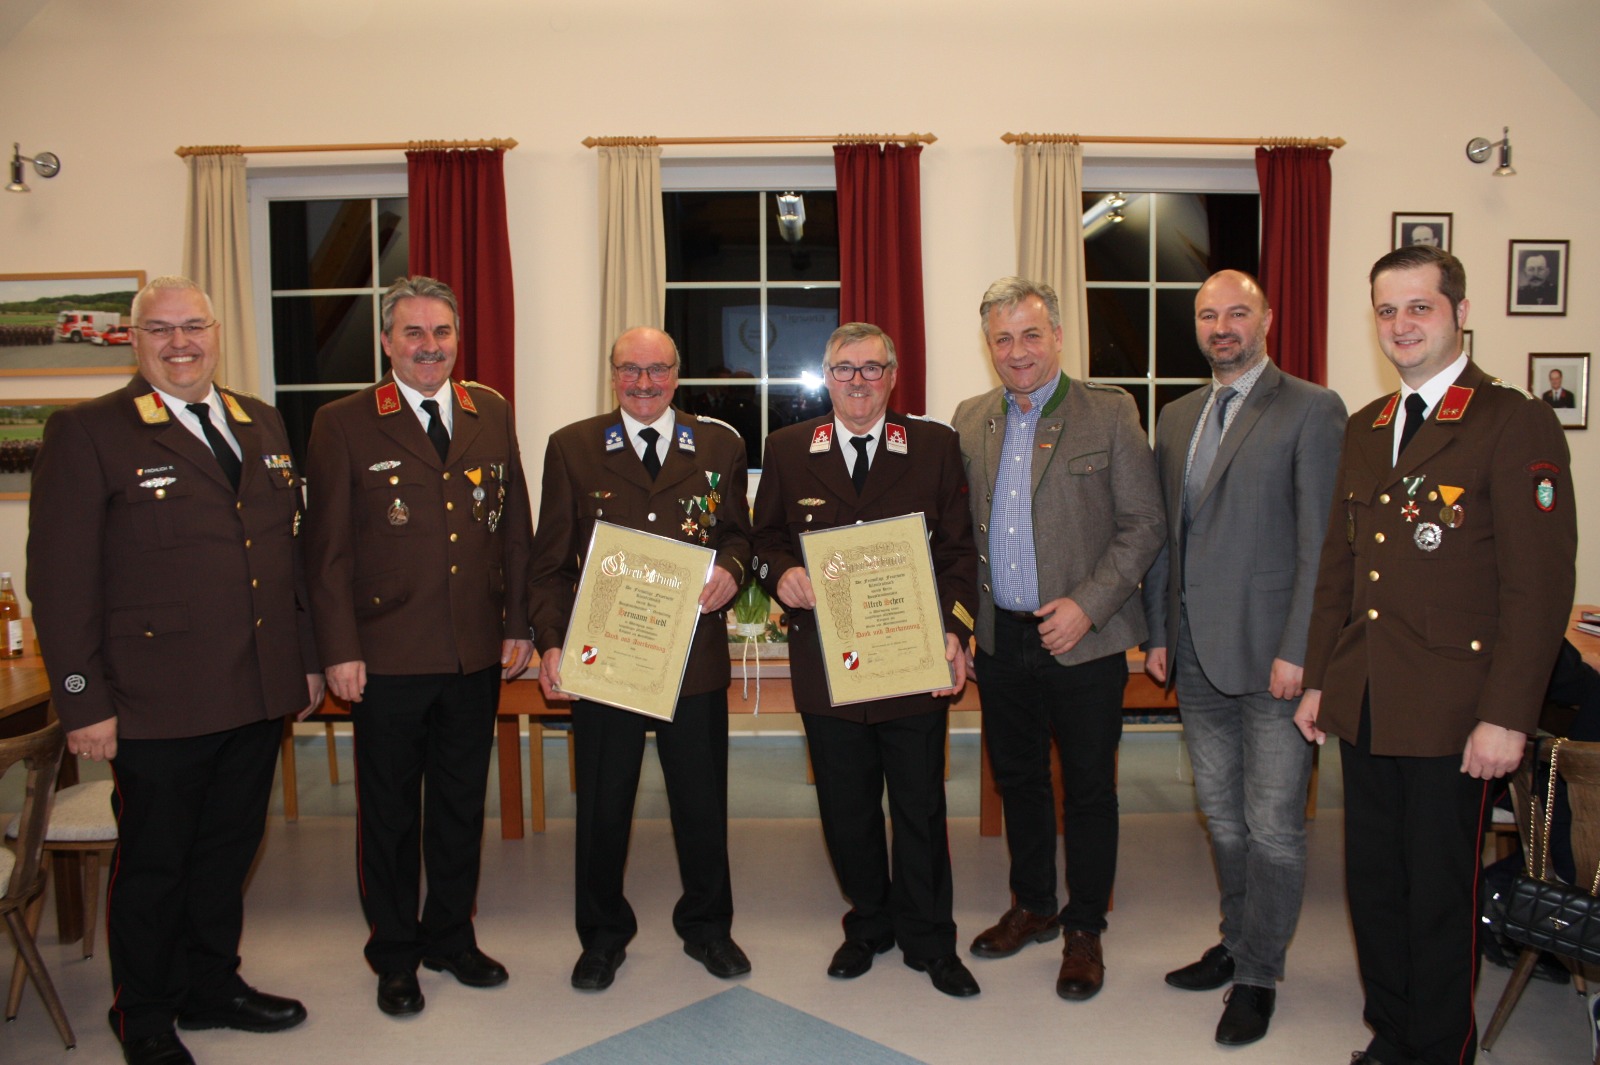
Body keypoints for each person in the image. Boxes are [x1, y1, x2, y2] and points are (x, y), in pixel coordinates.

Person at [27, 276, 320, 1065]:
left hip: (255, 687)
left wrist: (303, 659)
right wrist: (82, 699)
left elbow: (285, 553)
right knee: (156, 864)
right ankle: (145, 1011)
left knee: (227, 853)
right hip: (155, 698)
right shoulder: (90, 432)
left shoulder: (260, 421)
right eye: (160, 329)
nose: (180, 342)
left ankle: (211, 984)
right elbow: (59, 579)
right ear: (134, 340)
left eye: (194, 325)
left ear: (216, 332)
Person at [1295, 245, 1577, 1065]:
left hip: (1457, 710)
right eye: (1387, 310)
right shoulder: (1367, 425)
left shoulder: (1510, 419)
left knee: (1439, 894)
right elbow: (1340, 568)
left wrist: (1507, 716)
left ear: (1458, 312)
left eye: (1419, 306)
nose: (1401, 324)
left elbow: (1538, 587)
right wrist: (1320, 680)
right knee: (1376, 886)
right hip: (1368, 697)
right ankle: (1392, 1035)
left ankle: (1441, 1050)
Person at [303, 276, 533, 1018]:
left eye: (441, 332)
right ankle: (395, 954)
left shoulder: (489, 408)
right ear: (386, 341)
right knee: (391, 814)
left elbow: (514, 526)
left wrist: (519, 623)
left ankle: (451, 937)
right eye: (413, 332)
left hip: (473, 651)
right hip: (386, 653)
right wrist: (337, 647)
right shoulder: (343, 422)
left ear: (457, 339)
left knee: (461, 807)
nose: (429, 346)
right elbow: (325, 550)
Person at [1140, 270, 1346, 1045]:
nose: (1221, 326)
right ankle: (1236, 938)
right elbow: (1167, 536)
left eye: (1236, 312)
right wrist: (1159, 631)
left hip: (1274, 661)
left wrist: (1303, 652)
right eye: (1207, 315)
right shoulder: (1178, 415)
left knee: (1273, 824)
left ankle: (1259, 973)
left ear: (1267, 318)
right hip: (1195, 653)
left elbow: (1322, 544)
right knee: (1222, 815)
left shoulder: (1313, 408)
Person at [951, 278, 1165, 1002]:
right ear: (989, 345)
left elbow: (1144, 524)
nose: (1018, 351)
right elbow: (959, 534)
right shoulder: (971, 417)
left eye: (1031, 334)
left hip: (1084, 639)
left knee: (1089, 789)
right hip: (1001, 640)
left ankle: (1084, 927)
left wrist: (1088, 604)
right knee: (1017, 780)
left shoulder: (1109, 412)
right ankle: (1035, 903)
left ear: (1059, 337)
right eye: (1003, 338)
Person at [752, 322, 980, 997]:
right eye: (845, 369)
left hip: (911, 658)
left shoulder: (933, 446)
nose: (859, 381)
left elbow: (958, 552)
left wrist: (955, 631)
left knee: (919, 804)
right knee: (846, 808)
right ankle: (869, 924)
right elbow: (763, 538)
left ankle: (931, 937)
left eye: (872, 368)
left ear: (893, 376)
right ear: (827, 378)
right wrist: (782, 574)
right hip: (828, 662)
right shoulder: (789, 448)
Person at [529, 326, 753, 992]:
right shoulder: (572, 447)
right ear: (613, 375)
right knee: (603, 808)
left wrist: (732, 572)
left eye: (658, 369)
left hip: (692, 660)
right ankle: (601, 937)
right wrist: (551, 641)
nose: (645, 382)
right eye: (631, 369)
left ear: (676, 374)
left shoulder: (719, 445)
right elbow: (550, 561)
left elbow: (738, 534)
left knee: (702, 806)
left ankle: (709, 928)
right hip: (607, 662)